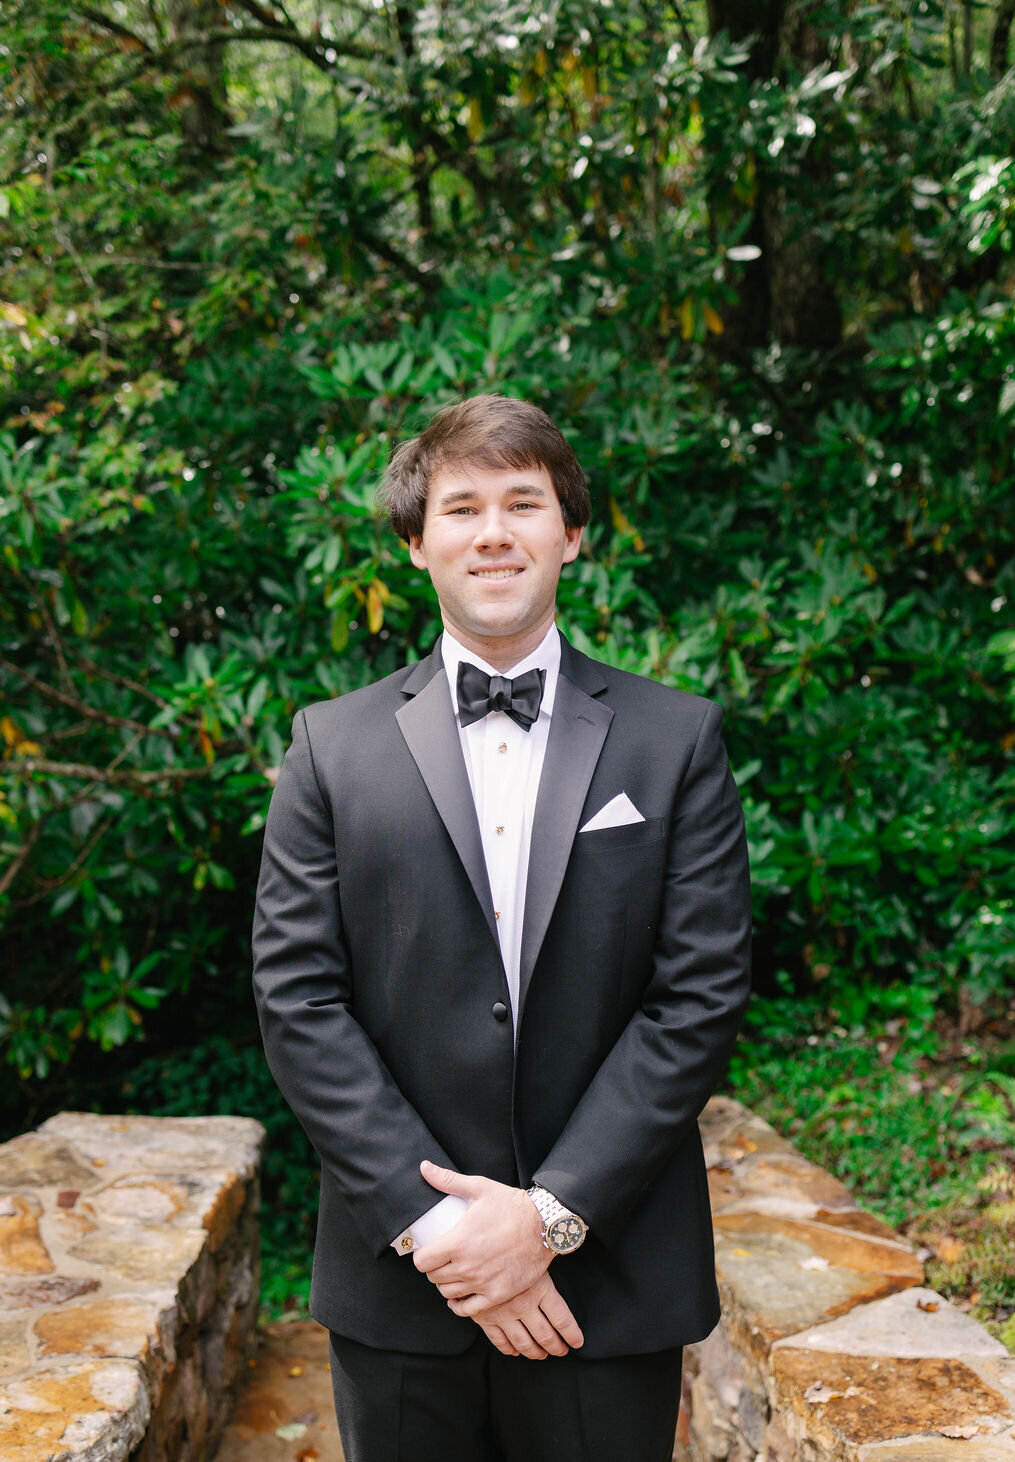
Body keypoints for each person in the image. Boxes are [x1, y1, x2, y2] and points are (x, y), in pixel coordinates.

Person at [252, 393, 751, 1462]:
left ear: (571, 532)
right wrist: (442, 1231)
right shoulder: (329, 749)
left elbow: (698, 994)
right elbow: (297, 997)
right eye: (462, 507)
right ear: (415, 541)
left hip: (604, 1282)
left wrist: (549, 1217)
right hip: (400, 1284)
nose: (492, 531)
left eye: (523, 503)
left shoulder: (677, 740)